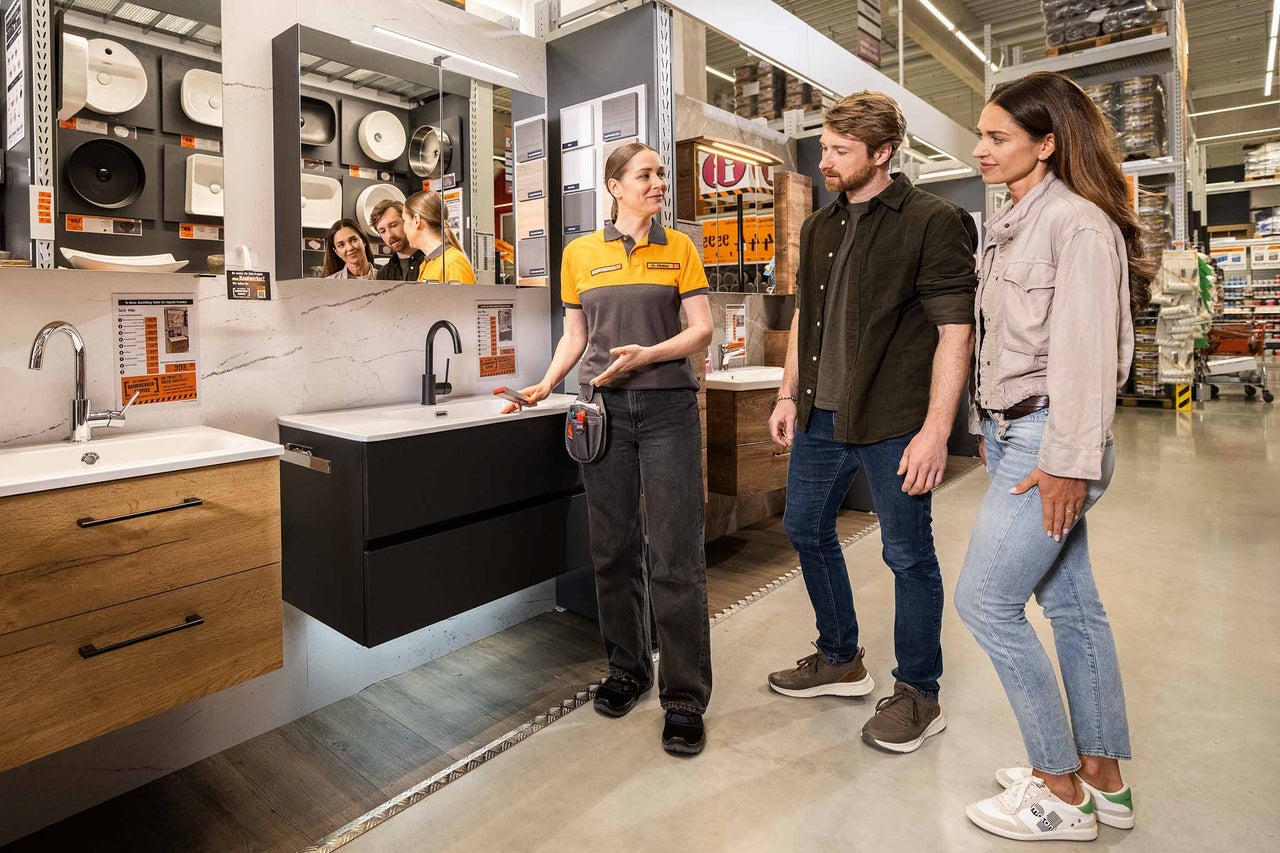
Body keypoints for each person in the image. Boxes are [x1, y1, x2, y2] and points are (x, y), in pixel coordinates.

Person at [955, 71, 1153, 842]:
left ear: (1047, 143)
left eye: (998, 137)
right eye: (982, 134)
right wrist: (985, 419)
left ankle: (1056, 787)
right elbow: (1007, 343)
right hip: (1019, 433)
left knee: (986, 602)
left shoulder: (1077, 226)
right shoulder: (1013, 222)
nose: (980, 149)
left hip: (1052, 444)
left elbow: (1085, 359)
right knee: (1071, 604)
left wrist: (1069, 462)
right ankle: (1102, 777)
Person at [764, 91, 978, 755]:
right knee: (804, 525)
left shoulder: (932, 221)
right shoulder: (818, 227)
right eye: (824, 147)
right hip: (822, 416)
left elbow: (954, 332)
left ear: (882, 153)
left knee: (907, 553)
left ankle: (920, 690)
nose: (825, 161)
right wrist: (787, 391)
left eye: (839, 151)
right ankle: (840, 656)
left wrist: (937, 430)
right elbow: (806, 315)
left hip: (895, 420)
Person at [502, 142, 714, 755]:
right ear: (614, 186)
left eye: (660, 175)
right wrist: (546, 382)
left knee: (675, 553)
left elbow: (700, 328)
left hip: (669, 408)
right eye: (646, 175)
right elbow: (577, 335)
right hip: (602, 413)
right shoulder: (579, 254)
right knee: (612, 548)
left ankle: (683, 697)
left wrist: (650, 355)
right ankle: (627, 669)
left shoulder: (680, 249)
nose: (659, 183)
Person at [402, 190, 476, 284]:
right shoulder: (426, 264)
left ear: (416, 220)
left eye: (404, 220)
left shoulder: (454, 264)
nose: (403, 228)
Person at [371, 200, 425, 281]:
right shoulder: (384, 273)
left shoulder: (431, 262)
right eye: (383, 231)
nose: (390, 235)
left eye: (393, 226)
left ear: (407, 222)